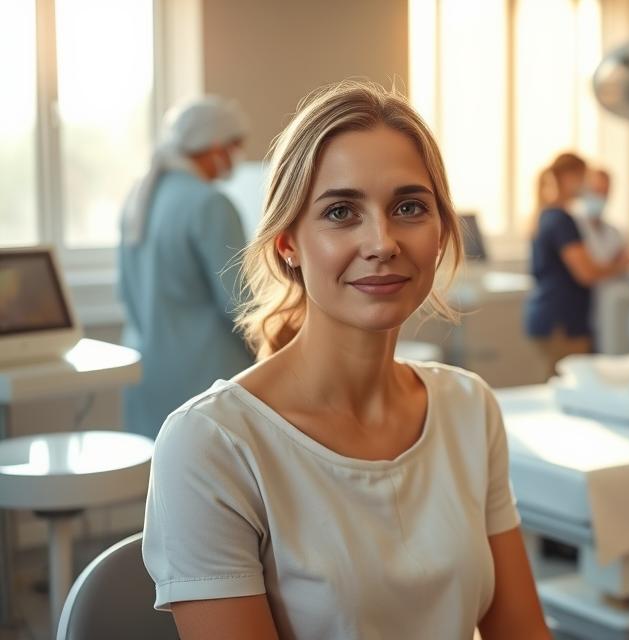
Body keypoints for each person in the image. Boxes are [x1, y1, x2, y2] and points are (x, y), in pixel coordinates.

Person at [141, 80, 551, 640]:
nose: (382, 242)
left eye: (409, 207)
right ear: (288, 243)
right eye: (340, 212)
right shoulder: (211, 445)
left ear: (440, 233)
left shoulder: (469, 408)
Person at [118, 96, 254, 439]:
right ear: (214, 147)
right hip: (205, 381)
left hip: (147, 374)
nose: (237, 158)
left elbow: (125, 290)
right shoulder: (210, 204)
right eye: (235, 146)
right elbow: (239, 304)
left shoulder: (141, 198)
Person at [524, 153, 629, 377]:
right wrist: (623, 265)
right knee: (566, 385)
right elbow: (587, 273)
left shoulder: (548, 215)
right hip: (562, 322)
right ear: (570, 178)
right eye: (585, 177)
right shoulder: (561, 220)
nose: (587, 186)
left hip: (550, 316)